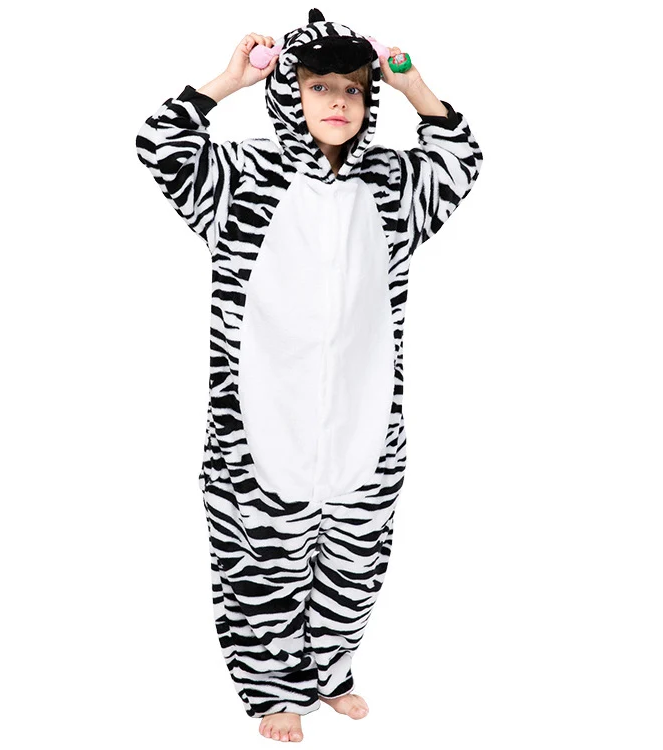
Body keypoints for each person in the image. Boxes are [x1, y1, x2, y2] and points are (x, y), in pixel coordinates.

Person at [135, 8, 483, 743]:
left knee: (355, 567)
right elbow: (159, 142)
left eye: (354, 90)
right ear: (288, 92)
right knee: (262, 566)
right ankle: (272, 689)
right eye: (319, 85)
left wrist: (412, 84)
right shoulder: (241, 178)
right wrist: (229, 80)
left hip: (366, 418)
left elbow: (460, 158)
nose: (337, 102)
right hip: (258, 419)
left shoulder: (393, 186)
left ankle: (330, 671)